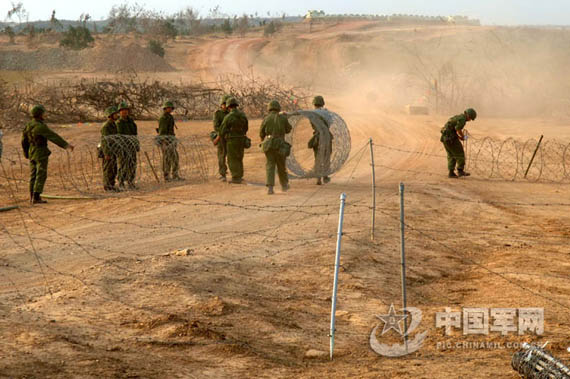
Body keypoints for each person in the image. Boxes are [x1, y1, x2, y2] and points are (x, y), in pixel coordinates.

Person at [21, 105, 74, 204]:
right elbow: (53, 136)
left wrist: (26, 153)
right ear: (39, 114)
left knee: (33, 175)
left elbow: (24, 141)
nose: (45, 115)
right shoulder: (40, 126)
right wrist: (66, 145)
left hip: (32, 152)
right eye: (43, 113)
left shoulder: (29, 125)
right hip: (40, 152)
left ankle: (32, 196)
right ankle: (36, 197)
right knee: (41, 174)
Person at [260, 100, 292, 195]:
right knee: (281, 165)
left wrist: (264, 141)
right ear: (278, 108)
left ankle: (270, 188)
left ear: (269, 108)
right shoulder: (282, 118)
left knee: (270, 165)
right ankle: (284, 185)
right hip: (280, 144)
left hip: (269, 144)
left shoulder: (266, 118)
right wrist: (285, 118)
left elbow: (261, 133)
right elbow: (288, 129)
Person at [440, 108, 477, 178]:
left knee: (451, 155)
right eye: (471, 119)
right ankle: (460, 171)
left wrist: (459, 137)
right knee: (459, 153)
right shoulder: (463, 119)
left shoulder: (458, 117)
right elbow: (457, 129)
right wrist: (463, 136)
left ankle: (451, 173)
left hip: (445, 138)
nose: (470, 120)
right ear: (468, 116)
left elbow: (451, 129)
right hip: (451, 139)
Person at [219, 97, 249, 184]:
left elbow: (222, 130)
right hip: (241, 139)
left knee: (232, 159)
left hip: (232, 140)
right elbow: (246, 128)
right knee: (240, 157)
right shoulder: (243, 115)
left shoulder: (228, 117)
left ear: (229, 107)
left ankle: (236, 178)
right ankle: (239, 175)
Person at [308, 95, 332, 185]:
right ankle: (325, 177)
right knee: (326, 156)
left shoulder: (312, 114)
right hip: (326, 137)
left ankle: (318, 178)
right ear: (322, 103)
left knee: (317, 157)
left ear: (314, 103)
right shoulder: (326, 113)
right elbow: (330, 122)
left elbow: (312, 124)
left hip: (317, 137)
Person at [157, 101, 183, 181]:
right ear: (165, 108)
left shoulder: (170, 117)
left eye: (171, 108)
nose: (170, 109)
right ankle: (166, 176)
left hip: (171, 139)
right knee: (167, 158)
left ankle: (175, 175)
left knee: (175, 157)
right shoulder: (163, 118)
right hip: (165, 140)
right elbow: (162, 132)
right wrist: (164, 142)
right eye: (168, 108)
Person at [116, 102, 139, 189]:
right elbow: (118, 137)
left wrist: (136, 145)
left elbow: (135, 134)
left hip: (131, 146)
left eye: (126, 110)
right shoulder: (118, 123)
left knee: (132, 164)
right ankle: (121, 182)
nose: (124, 112)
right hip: (123, 147)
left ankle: (130, 182)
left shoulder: (131, 122)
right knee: (123, 165)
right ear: (119, 112)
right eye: (122, 111)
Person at [101, 106, 119, 192]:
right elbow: (105, 140)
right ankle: (107, 186)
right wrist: (106, 153)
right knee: (108, 169)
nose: (117, 115)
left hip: (113, 149)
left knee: (113, 168)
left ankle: (112, 185)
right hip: (108, 150)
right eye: (115, 114)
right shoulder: (106, 126)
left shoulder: (113, 125)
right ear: (110, 115)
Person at [212, 94, 230, 181]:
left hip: (230, 137)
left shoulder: (231, 113)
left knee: (231, 156)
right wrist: (221, 134)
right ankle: (223, 174)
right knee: (221, 156)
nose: (226, 106)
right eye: (224, 104)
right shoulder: (218, 114)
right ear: (221, 104)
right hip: (221, 137)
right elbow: (216, 127)